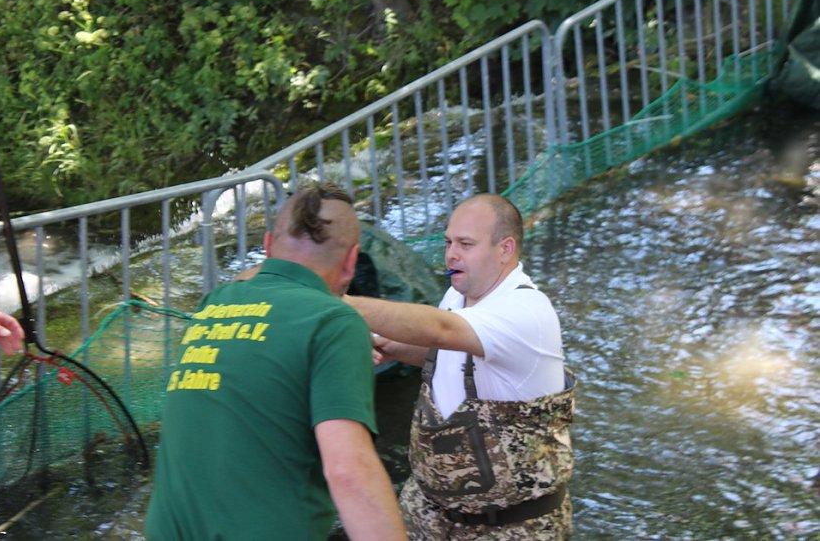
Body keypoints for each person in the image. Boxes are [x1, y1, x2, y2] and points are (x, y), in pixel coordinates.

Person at [144, 184, 406, 541]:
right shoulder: (334, 321)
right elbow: (349, 472)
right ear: (351, 261)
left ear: (267, 248)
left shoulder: (214, 305)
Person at [345, 193, 576, 540]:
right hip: (431, 513)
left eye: (465, 244)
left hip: (509, 526)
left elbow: (441, 329)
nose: (451, 253)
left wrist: (332, 302)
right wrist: (393, 347)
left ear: (505, 249)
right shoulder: (460, 293)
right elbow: (450, 355)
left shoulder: (527, 310)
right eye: (449, 242)